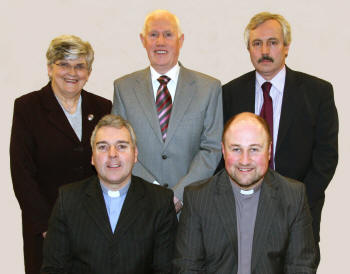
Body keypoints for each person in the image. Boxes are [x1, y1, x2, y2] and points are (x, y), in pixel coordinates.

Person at [221, 12, 338, 265]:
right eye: (256, 43)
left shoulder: (318, 93)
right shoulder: (228, 94)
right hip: (241, 213)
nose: (264, 50)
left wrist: (297, 201)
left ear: (286, 47)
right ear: (248, 49)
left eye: (272, 42)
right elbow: (223, 155)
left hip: (300, 213)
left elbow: (326, 157)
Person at [10, 35, 112, 274]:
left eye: (79, 66)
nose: (72, 72)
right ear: (49, 68)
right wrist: (47, 226)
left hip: (95, 228)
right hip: (46, 229)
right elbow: (22, 172)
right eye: (63, 64)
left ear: (88, 72)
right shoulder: (28, 107)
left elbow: (110, 164)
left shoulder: (102, 107)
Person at [173, 112, 316, 273]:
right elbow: (187, 268)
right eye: (236, 149)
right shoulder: (197, 198)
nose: (245, 160)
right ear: (223, 150)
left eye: (254, 149)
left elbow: (301, 267)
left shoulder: (293, 196)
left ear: (268, 150)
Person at [112, 9, 222, 212]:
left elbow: (212, 149)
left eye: (168, 35)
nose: (160, 42)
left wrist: (179, 194)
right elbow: (119, 147)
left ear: (180, 40)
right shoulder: (123, 88)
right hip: (140, 204)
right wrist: (154, 193)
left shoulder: (209, 88)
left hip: (192, 207)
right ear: (143, 40)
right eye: (153, 35)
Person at [41, 114, 178, 273]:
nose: (112, 154)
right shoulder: (68, 200)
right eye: (103, 147)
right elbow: (53, 269)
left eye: (121, 146)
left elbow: (166, 270)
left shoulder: (160, 202)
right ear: (92, 157)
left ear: (135, 155)